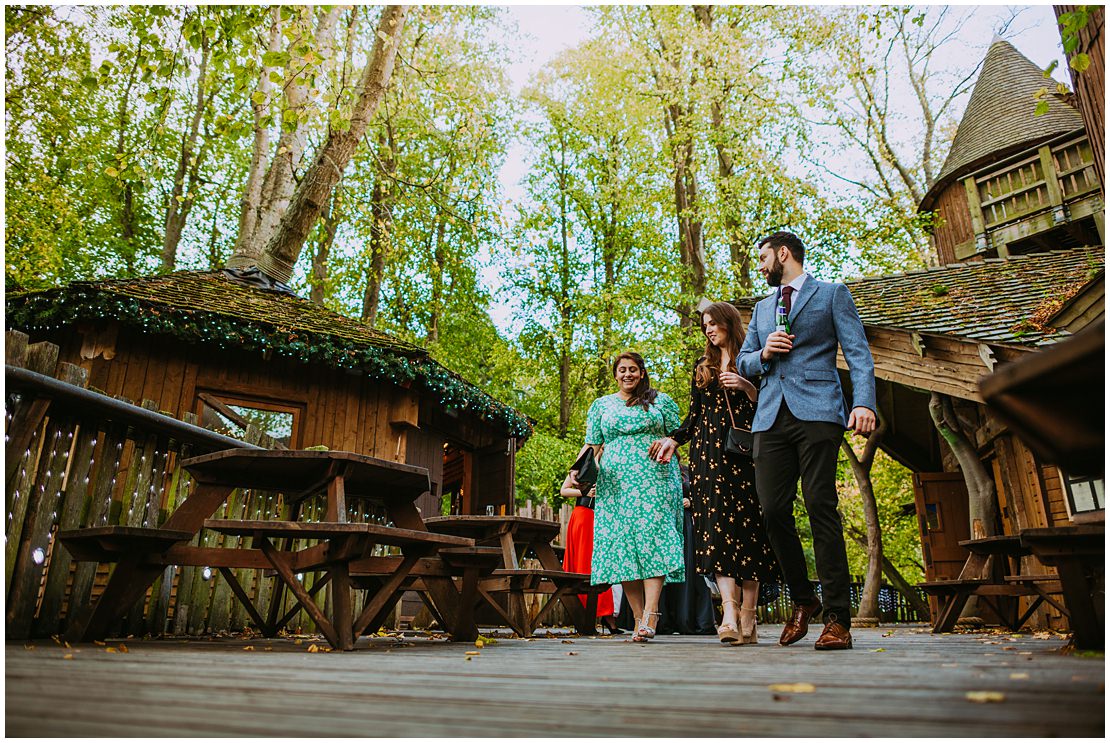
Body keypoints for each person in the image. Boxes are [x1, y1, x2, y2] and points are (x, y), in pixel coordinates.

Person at [737, 230, 877, 651]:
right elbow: (743, 360)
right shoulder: (762, 309)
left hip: (818, 412)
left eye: (763, 258)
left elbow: (858, 353)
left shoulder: (832, 295)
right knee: (772, 509)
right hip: (770, 417)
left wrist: (864, 403)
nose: (760, 266)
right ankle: (804, 599)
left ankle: (838, 619)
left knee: (820, 505)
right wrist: (763, 354)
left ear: (783, 254)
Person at [650, 301, 780, 645]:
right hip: (707, 458)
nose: (709, 330)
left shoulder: (753, 357)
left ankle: (749, 617)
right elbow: (694, 415)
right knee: (715, 534)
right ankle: (729, 615)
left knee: (750, 532)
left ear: (728, 323)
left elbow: (771, 406)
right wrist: (674, 440)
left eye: (714, 323)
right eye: (705, 325)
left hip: (746, 456)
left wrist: (746, 387)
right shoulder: (702, 366)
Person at [571, 351, 685, 643]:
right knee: (623, 547)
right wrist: (577, 470)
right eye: (622, 370)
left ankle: (651, 612)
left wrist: (664, 440)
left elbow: (679, 435)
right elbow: (592, 444)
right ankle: (637, 619)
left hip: (654, 479)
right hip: (615, 483)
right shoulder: (601, 406)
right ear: (615, 374)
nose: (627, 375)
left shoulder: (661, 402)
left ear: (642, 373)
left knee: (652, 539)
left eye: (633, 369)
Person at [656, 460, 716, 636]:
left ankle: (689, 619)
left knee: (690, 571)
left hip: (686, 525)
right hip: (663, 523)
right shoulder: (653, 470)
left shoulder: (687, 471)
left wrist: (691, 502)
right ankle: (663, 621)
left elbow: (706, 496)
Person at [558, 473, 622, 634]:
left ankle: (607, 614)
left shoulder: (613, 463)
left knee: (605, 564)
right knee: (584, 563)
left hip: (605, 518)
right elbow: (564, 490)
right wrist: (584, 493)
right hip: (585, 515)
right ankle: (586, 615)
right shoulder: (583, 466)